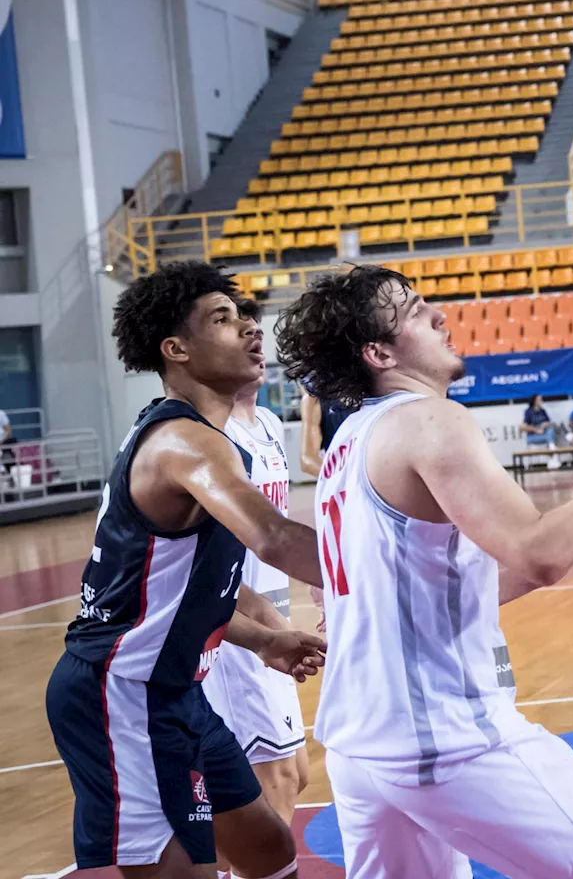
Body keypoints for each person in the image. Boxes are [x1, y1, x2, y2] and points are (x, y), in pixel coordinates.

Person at [274, 263, 573, 879]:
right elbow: (539, 551)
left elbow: (426, 597)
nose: (440, 316)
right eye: (416, 312)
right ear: (379, 351)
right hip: (443, 738)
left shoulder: (348, 443)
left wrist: (563, 542)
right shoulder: (430, 421)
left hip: (359, 743)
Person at [44, 261, 328, 879]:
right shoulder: (187, 443)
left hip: (174, 692)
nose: (250, 330)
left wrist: (265, 639)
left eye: (245, 317)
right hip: (119, 695)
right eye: (222, 320)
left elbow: (185, 593)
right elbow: (275, 537)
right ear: (175, 349)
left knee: (269, 851)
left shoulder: (206, 437)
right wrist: (406, 568)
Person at [202, 298, 310, 856]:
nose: (253, 338)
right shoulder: (204, 436)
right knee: (276, 781)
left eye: (254, 330)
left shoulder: (266, 422)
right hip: (234, 626)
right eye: (230, 327)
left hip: (270, 613)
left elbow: (280, 531)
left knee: (293, 774)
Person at [299, 391, 357, 478]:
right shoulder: (315, 401)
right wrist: (340, 481)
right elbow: (307, 459)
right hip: (346, 480)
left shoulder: (377, 394)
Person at [520, 393, 560, 469]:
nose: (542, 401)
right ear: (535, 401)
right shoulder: (528, 412)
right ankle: (552, 457)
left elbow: (549, 422)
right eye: (540, 399)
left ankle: (552, 453)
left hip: (544, 434)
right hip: (533, 436)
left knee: (550, 431)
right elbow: (523, 426)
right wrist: (536, 430)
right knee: (550, 439)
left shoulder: (543, 411)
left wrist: (545, 424)